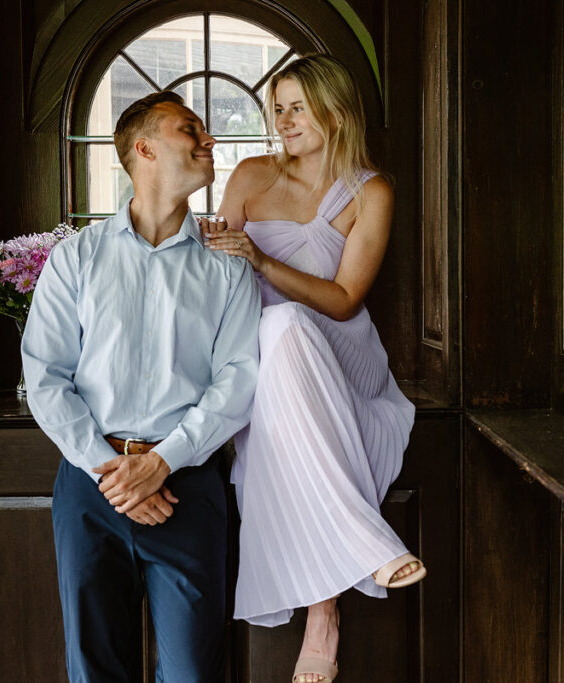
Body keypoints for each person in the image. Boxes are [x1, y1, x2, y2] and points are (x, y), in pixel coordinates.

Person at [22, 91, 261, 683]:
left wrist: (162, 464)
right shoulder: (75, 259)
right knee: (95, 669)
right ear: (144, 148)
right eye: (192, 130)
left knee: (194, 675)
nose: (210, 142)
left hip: (189, 489)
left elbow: (239, 380)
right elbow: (45, 377)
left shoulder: (228, 267)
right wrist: (114, 473)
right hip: (89, 489)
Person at [206, 54, 426, 683]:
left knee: (288, 322)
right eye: (277, 109)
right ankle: (343, 581)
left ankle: (324, 605)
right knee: (274, 333)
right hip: (265, 364)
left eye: (297, 106)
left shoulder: (371, 190)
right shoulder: (250, 176)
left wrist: (262, 262)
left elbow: (344, 298)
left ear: (335, 108)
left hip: (341, 357)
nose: (284, 120)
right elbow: (222, 278)